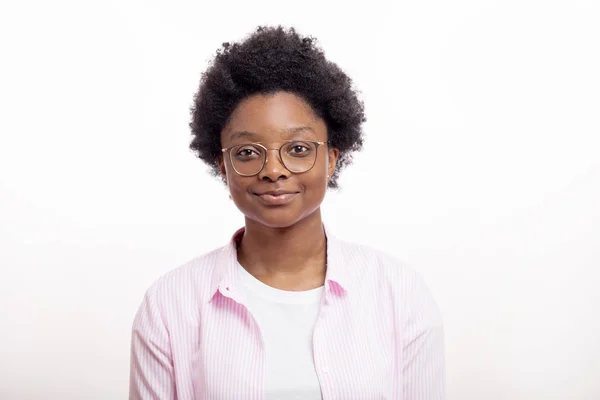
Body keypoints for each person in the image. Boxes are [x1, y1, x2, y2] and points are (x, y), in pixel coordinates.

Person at [129, 25, 446, 399]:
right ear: (222, 165)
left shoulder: (397, 294)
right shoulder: (169, 305)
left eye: (297, 148)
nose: (274, 169)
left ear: (331, 158)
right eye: (247, 152)